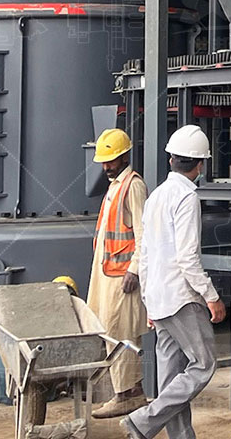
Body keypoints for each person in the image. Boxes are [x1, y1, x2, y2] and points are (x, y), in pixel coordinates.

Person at [122, 124, 226, 439]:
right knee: (203, 365)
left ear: (170, 159)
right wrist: (211, 296)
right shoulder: (186, 198)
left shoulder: (156, 196)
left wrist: (149, 301)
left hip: (158, 297)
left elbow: (147, 251)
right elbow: (187, 258)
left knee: (171, 378)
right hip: (181, 298)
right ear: (201, 165)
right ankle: (143, 420)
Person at [88, 128, 149, 419]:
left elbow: (143, 233)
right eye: (103, 161)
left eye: (110, 161)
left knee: (121, 334)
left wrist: (134, 270)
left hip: (121, 276)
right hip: (106, 274)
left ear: (125, 156)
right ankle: (124, 391)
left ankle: (128, 394)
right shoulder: (115, 185)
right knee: (108, 332)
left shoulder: (133, 186)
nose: (106, 166)